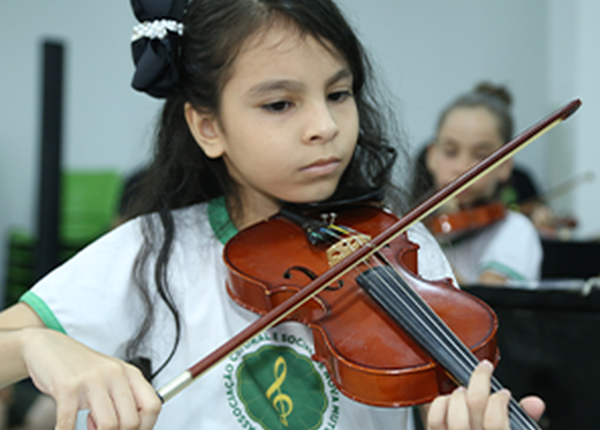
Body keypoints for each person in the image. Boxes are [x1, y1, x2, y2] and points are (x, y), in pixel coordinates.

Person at [0, 1, 544, 429]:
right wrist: (36, 344)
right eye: (280, 104)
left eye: (338, 93)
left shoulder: (404, 247)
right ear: (208, 126)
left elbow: (436, 405)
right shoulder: (156, 250)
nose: (324, 126)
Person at [420, 83, 543, 286]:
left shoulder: (515, 230)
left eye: (480, 156)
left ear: (504, 165)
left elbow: (484, 301)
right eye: (450, 152)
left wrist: (427, 255)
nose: (462, 168)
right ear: (432, 156)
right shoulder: (424, 229)